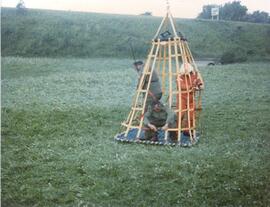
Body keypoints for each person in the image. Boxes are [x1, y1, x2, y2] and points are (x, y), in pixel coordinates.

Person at [177, 63, 204, 137]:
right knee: (180, 114)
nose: (186, 71)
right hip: (182, 98)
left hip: (191, 97)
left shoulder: (194, 74)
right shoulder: (180, 76)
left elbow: (199, 82)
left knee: (191, 115)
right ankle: (176, 130)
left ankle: (188, 130)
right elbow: (181, 86)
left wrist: (200, 85)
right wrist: (191, 86)